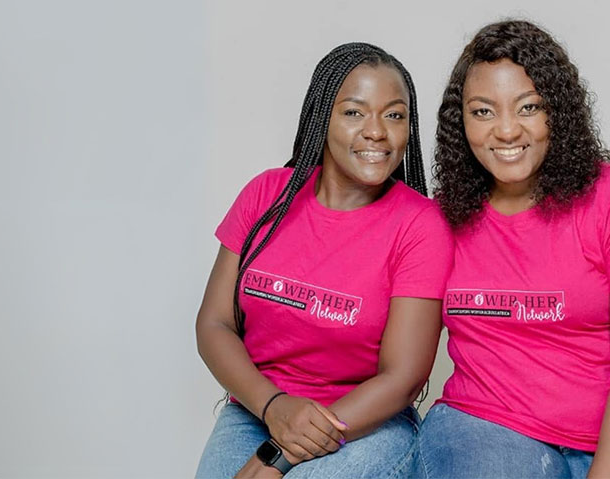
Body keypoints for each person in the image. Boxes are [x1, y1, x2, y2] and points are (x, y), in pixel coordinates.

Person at [418, 20, 610, 479]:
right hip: (488, 429)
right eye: (483, 111)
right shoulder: (441, 218)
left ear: (557, 112)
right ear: (459, 121)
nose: (506, 130)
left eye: (528, 107)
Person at [194, 42, 453, 479]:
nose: (377, 131)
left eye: (394, 114)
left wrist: (280, 453)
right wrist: (274, 408)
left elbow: (403, 377)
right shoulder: (266, 195)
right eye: (355, 112)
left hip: (366, 422)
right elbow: (214, 324)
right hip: (257, 408)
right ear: (322, 117)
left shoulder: (420, 225)